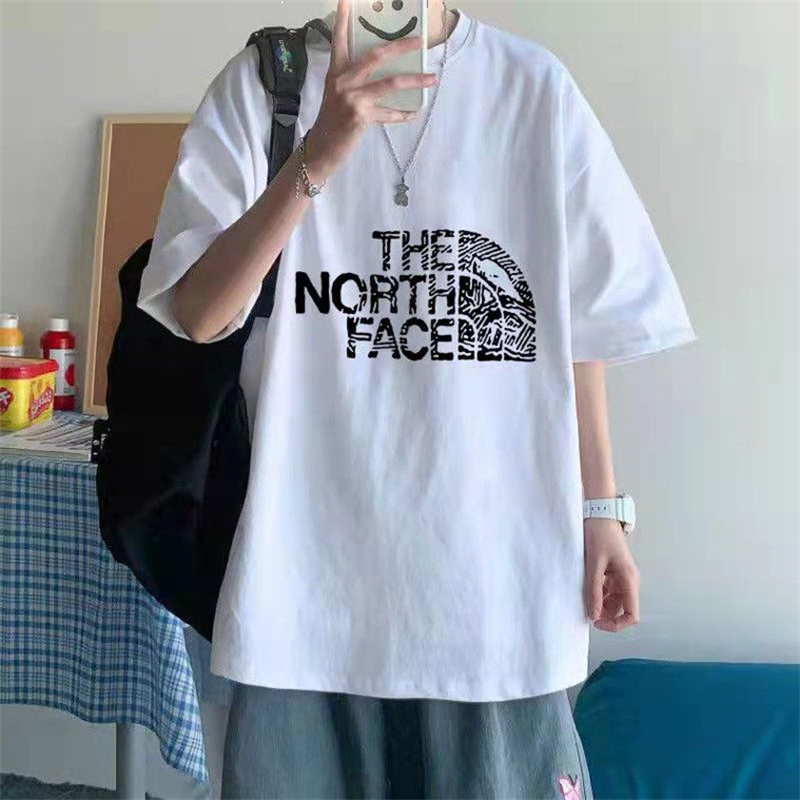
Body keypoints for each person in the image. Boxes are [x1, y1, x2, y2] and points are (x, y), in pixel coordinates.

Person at [137, 0, 697, 796]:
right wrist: (319, 154)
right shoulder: (266, 86)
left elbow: (581, 326)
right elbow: (197, 313)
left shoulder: (532, 89)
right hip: (304, 588)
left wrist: (601, 510)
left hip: (493, 587)